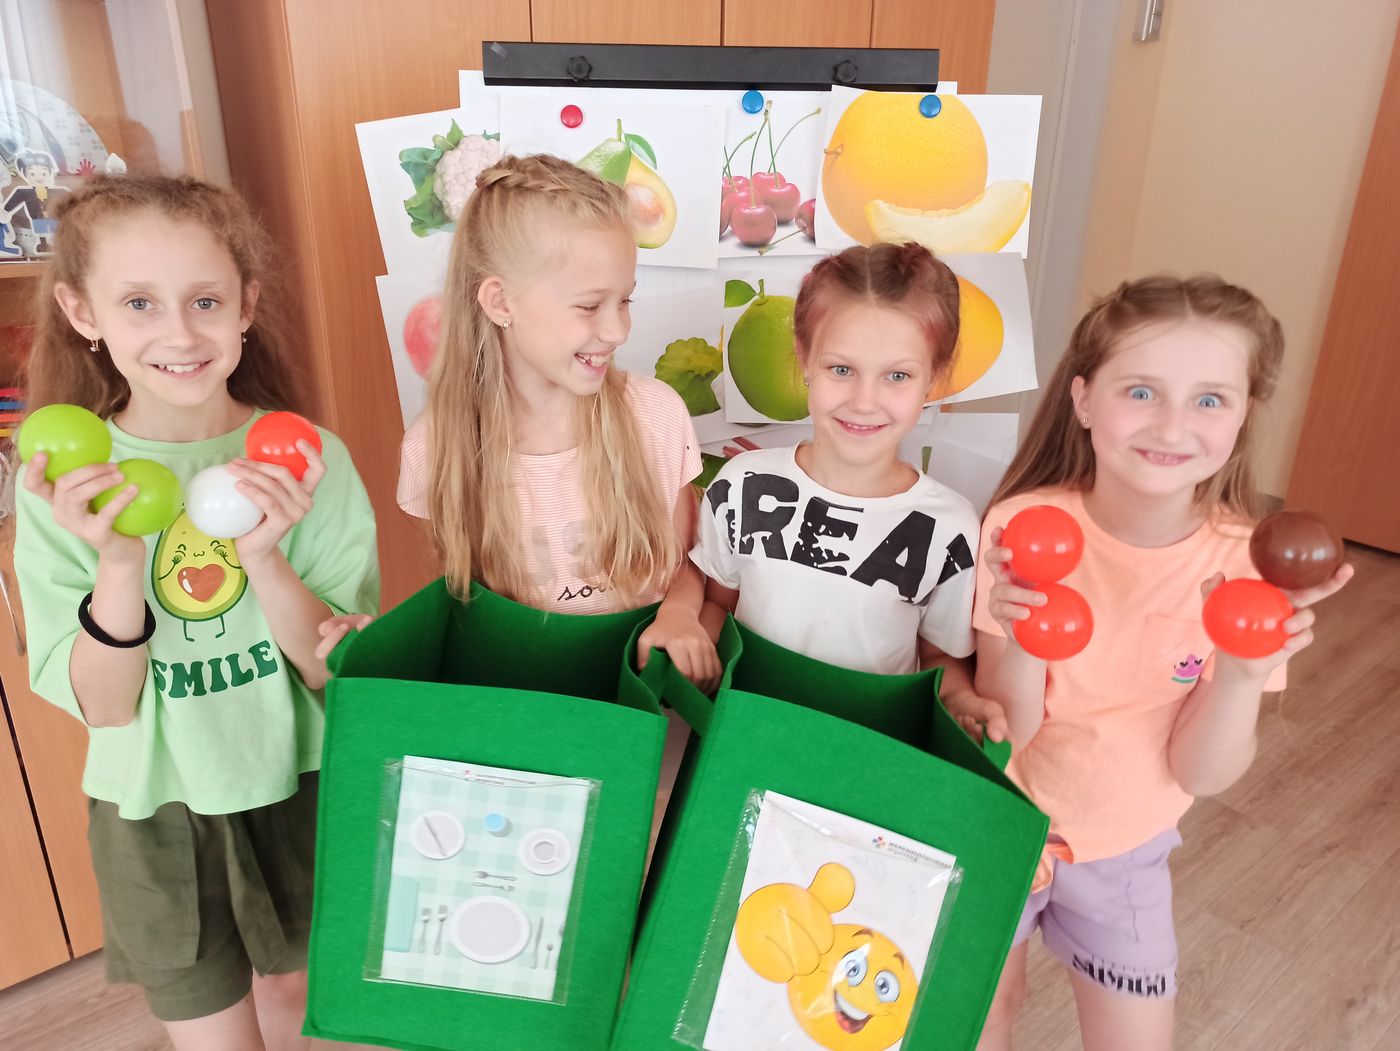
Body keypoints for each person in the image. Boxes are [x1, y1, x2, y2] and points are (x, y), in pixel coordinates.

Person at [15, 173, 379, 1050]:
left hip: (301, 776)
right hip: (155, 808)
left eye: (205, 300)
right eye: (139, 302)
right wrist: (118, 563)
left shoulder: (309, 460)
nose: (179, 333)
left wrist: (263, 558)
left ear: (245, 306)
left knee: (299, 996)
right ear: (82, 311)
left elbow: (337, 672)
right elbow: (107, 705)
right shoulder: (66, 486)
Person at [966, 275, 1352, 1050]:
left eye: (1210, 399)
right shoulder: (1019, 526)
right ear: (1083, 399)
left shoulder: (1244, 568)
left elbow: (1200, 770)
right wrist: (1029, 636)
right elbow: (1010, 728)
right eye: (1140, 391)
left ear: (1243, 416)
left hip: (1126, 852)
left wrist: (1242, 673)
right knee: (981, 1018)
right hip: (1000, 823)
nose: (1172, 424)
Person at [691, 241, 981, 701]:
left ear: (935, 376)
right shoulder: (741, 485)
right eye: (842, 369)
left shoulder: (953, 528)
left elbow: (941, 660)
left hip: (866, 740)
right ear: (804, 356)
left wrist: (962, 702)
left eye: (898, 376)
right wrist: (692, 655)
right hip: (745, 730)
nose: (864, 402)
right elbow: (717, 605)